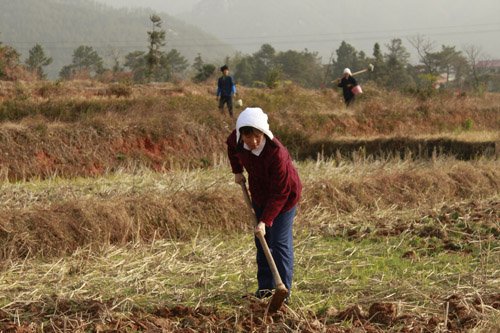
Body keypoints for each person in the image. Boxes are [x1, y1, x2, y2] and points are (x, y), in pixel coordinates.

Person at [226, 107, 302, 303]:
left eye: (257, 138)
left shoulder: (277, 154)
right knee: (262, 243)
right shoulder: (237, 139)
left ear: (263, 133)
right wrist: (237, 170)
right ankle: (266, 289)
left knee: (279, 242)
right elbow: (231, 147)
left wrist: (265, 221)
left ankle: (283, 293)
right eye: (248, 138)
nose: (253, 142)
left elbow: (280, 193)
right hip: (259, 194)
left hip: (284, 198)